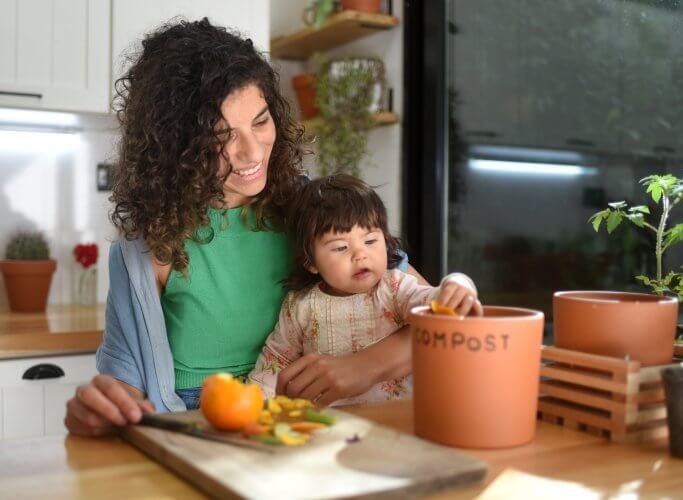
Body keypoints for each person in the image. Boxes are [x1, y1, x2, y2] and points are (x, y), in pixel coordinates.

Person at [64, 18, 480, 437]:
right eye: (221, 137)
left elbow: (445, 320)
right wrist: (96, 409)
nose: (250, 152)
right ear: (174, 145)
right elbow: (125, 388)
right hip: (203, 426)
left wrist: (364, 366)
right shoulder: (145, 248)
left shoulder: (313, 209)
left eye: (261, 122)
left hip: (319, 420)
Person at [248, 175, 482, 405]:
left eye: (370, 242)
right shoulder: (299, 305)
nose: (360, 254)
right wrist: (255, 403)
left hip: (396, 417)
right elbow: (277, 359)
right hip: (330, 423)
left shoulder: (394, 288)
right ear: (310, 262)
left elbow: (437, 304)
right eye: (340, 247)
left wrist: (458, 283)